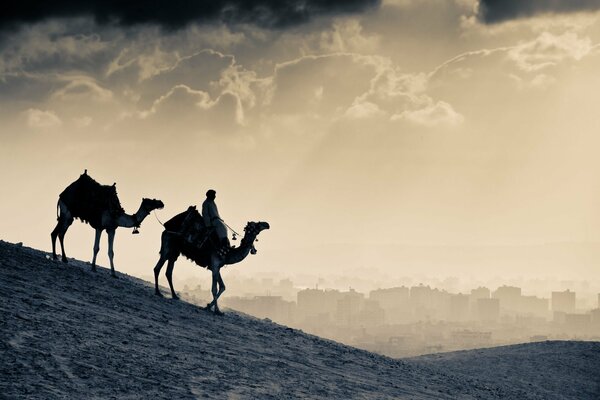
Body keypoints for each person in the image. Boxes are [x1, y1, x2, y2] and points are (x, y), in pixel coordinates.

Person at [202, 189, 230, 256]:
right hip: (213, 222)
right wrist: (208, 225)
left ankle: (226, 245)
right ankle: (223, 246)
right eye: (213, 195)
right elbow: (205, 214)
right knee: (221, 229)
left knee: (224, 228)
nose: (215, 196)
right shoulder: (206, 203)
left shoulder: (212, 203)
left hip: (217, 220)